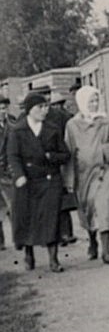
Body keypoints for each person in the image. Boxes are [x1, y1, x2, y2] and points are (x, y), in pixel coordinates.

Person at [7, 93, 72, 272]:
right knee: (28, 219)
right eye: (40, 107)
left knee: (52, 218)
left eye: (46, 106)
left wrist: (52, 157)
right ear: (30, 110)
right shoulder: (18, 130)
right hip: (27, 181)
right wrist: (19, 175)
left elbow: (66, 154)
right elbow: (12, 156)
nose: (45, 110)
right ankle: (29, 254)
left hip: (50, 180)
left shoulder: (52, 129)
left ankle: (54, 259)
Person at [65, 86, 109, 264]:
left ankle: (106, 250)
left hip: (106, 170)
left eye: (96, 100)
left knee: (105, 207)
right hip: (84, 174)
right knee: (88, 209)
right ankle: (92, 242)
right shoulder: (72, 125)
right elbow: (68, 151)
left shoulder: (107, 121)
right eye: (91, 101)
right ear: (82, 102)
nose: (94, 104)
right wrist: (69, 178)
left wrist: (100, 153)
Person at [47, 92, 79, 246]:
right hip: (61, 158)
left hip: (58, 159)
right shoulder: (67, 116)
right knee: (62, 199)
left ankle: (63, 233)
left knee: (60, 199)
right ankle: (66, 232)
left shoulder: (60, 117)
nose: (56, 106)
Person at [0, 95, 14, 250]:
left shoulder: (12, 124)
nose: (3, 111)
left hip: (8, 171)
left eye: (5, 108)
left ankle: (18, 237)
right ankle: (0, 241)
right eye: (1, 108)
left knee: (13, 205)